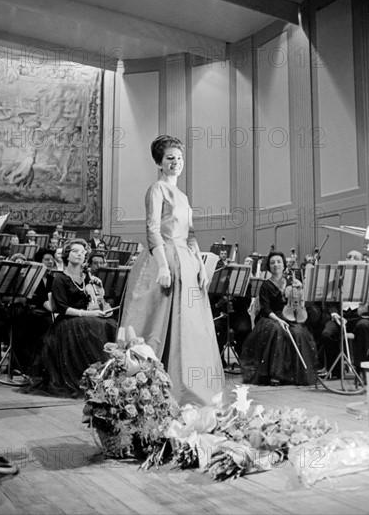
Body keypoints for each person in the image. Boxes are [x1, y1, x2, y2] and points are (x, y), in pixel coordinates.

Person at [120, 135, 225, 406]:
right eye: (170, 158)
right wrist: (164, 266)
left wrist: (201, 266)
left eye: (178, 158)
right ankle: (150, 391)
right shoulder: (157, 189)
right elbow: (152, 229)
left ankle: (185, 390)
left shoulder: (183, 196)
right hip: (163, 259)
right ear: (159, 162)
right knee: (156, 324)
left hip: (187, 263)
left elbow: (190, 235)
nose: (176, 163)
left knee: (189, 328)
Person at [22, 238, 117, 398]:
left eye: (82, 252)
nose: (80, 254)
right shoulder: (60, 279)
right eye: (75, 251)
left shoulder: (88, 277)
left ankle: (103, 380)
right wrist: (89, 314)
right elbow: (62, 308)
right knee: (92, 329)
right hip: (68, 323)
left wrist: (100, 308)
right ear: (67, 255)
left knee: (108, 325)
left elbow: (95, 300)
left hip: (88, 318)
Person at [240, 250, 318, 386]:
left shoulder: (292, 282)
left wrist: (300, 290)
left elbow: (300, 302)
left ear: (284, 265)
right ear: (269, 266)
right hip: (271, 317)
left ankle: (296, 374)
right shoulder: (265, 285)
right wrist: (278, 319)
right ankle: (276, 374)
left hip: (289, 315)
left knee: (298, 332)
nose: (276, 265)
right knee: (277, 331)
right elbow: (265, 308)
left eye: (278, 262)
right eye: (272, 262)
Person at [321, 250, 369, 379]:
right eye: (348, 256)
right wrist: (334, 314)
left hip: (360, 316)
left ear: (362, 262)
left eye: (355, 257)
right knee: (326, 334)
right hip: (341, 316)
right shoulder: (337, 279)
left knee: (364, 326)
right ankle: (336, 370)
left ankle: (360, 368)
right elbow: (330, 302)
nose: (351, 259)